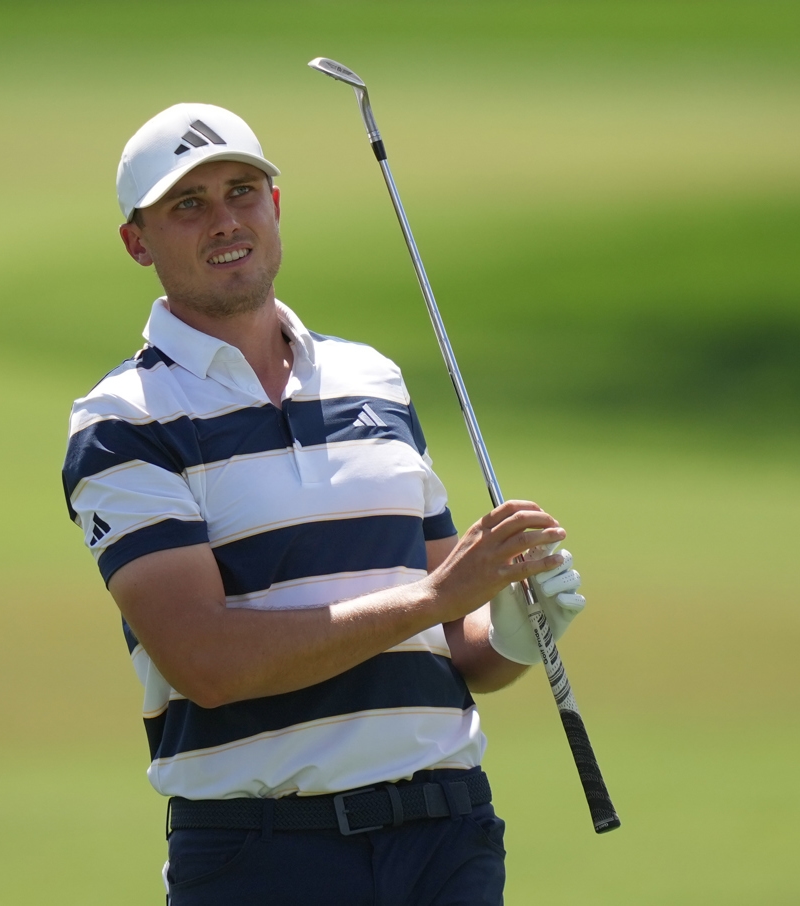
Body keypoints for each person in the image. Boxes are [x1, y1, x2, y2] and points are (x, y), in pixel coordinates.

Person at [62, 103, 587, 906]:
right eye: (188, 205)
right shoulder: (123, 421)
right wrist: (443, 597)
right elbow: (206, 662)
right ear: (138, 241)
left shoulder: (370, 380)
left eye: (242, 191)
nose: (225, 220)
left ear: (275, 206)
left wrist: (512, 632)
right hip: (265, 855)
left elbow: (457, 642)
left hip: (447, 834)